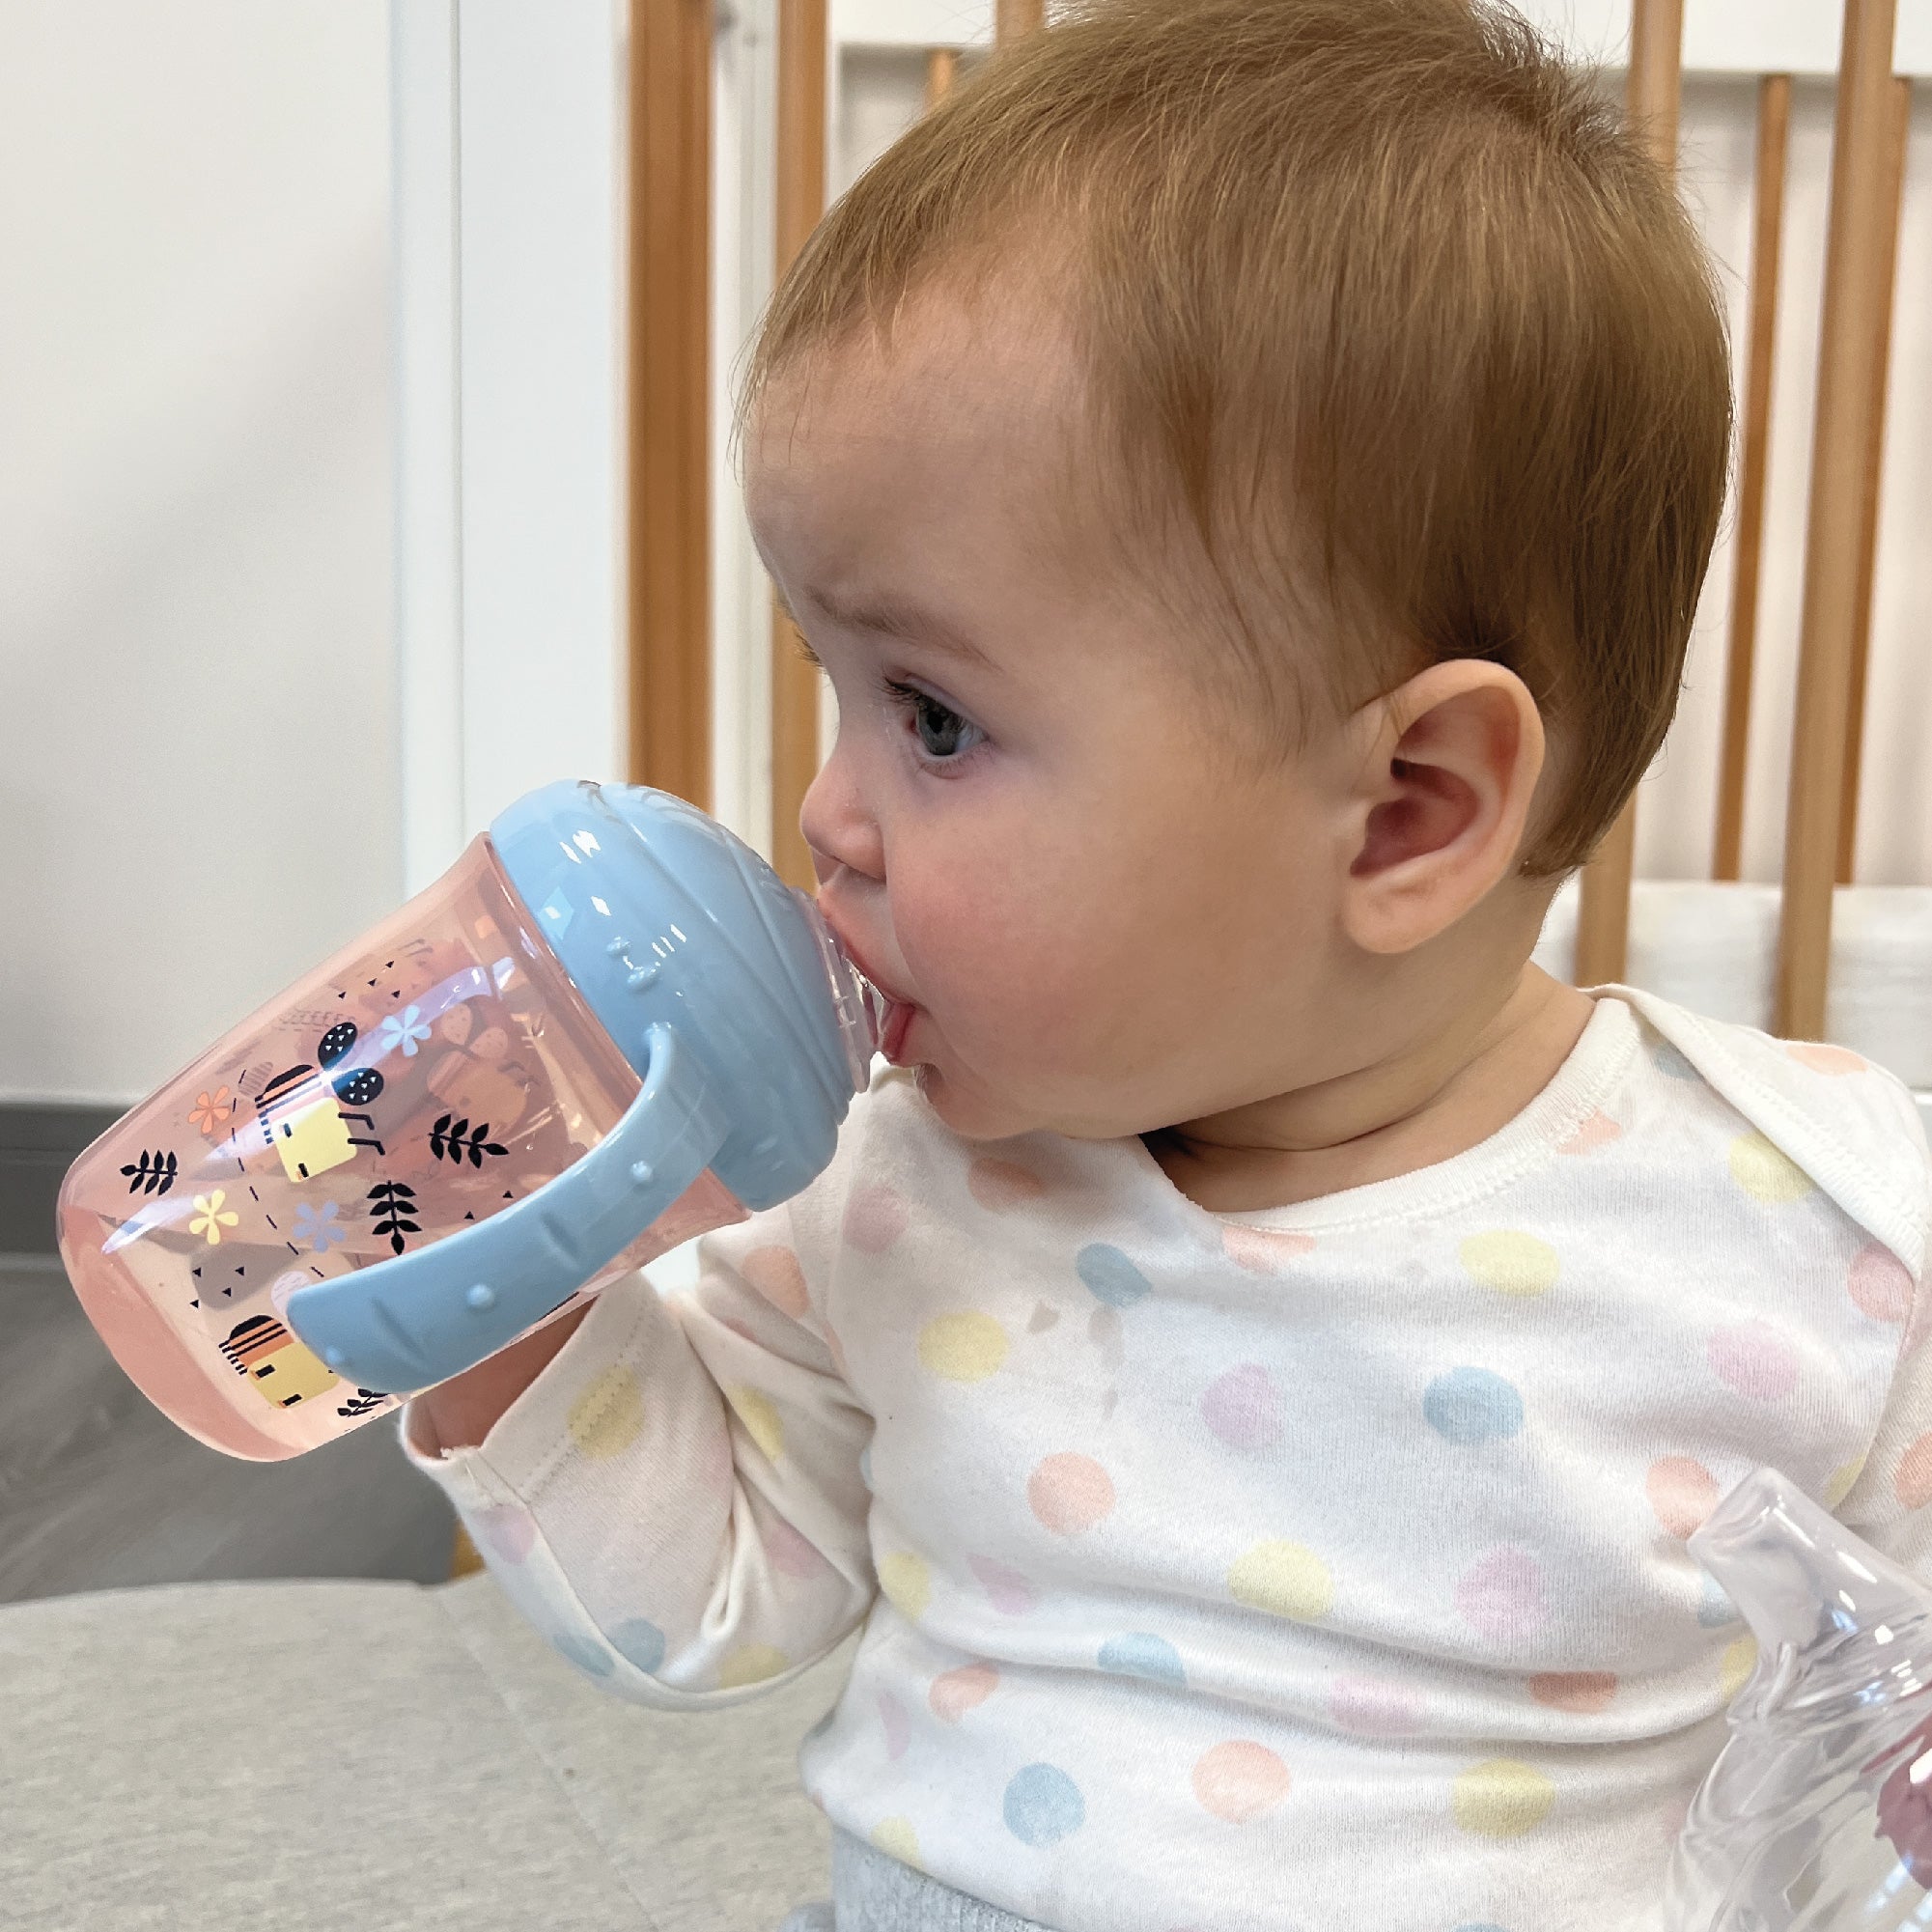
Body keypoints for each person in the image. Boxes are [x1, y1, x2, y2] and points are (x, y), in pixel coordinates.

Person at [400, 3, 1932, 1926]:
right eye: (838, 695)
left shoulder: (1814, 1222)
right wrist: (501, 1310)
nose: (825, 812)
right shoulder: (904, 1186)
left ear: (1399, 815)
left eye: (934, 720)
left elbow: (1873, 1715)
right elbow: (709, 1594)